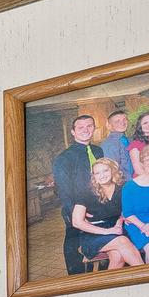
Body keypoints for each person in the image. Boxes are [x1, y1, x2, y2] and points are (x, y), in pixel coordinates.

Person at [50, 113, 104, 273]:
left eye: (89, 126)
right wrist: (75, 211)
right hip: (75, 209)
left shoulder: (98, 150)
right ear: (73, 132)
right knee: (74, 245)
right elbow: (63, 189)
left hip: (99, 207)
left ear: (94, 128)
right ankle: (76, 279)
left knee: (100, 242)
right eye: (80, 127)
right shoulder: (64, 158)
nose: (85, 130)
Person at [68, 157, 142, 273]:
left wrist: (120, 220)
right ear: (94, 176)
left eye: (105, 171)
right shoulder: (86, 193)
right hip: (93, 233)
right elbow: (77, 222)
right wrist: (108, 231)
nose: (101, 175)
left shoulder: (123, 188)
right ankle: (148, 275)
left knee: (118, 256)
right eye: (97, 173)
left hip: (117, 228)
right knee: (122, 241)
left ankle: (107, 287)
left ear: (113, 171)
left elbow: (128, 209)